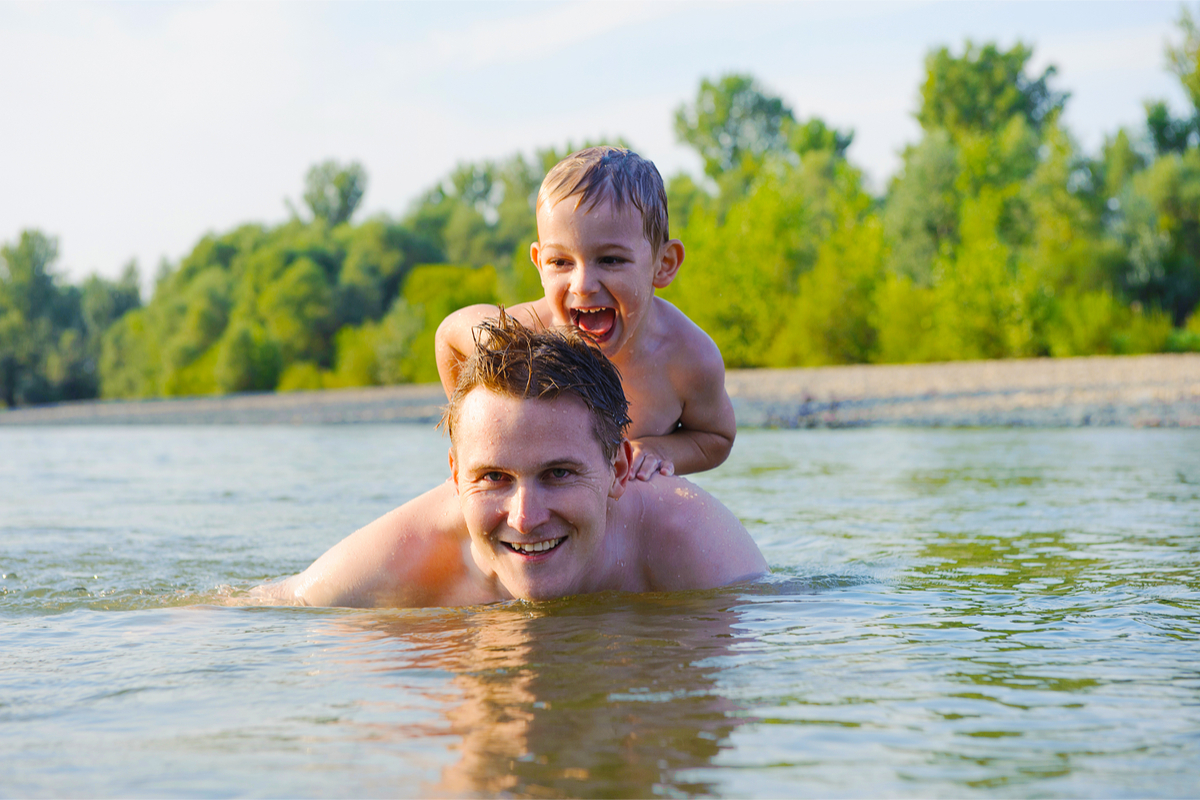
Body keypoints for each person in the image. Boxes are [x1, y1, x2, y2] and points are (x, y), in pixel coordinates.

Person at [252, 316, 766, 608]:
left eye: (558, 473)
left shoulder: (695, 547)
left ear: (617, 471)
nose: (525, 517)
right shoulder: (396, 566)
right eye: (493, 477)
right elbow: (254, 611)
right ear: (455, 476)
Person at [436, 146, 735, 482]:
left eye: (610, 260)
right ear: (539, 264)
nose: (582, 285)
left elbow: (716, 438)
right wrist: (473, 434)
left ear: (662, 265)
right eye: (560, 262)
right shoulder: (528, 338)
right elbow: (449, 335)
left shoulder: (687, 357)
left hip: (630, 502)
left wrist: (658, 449)